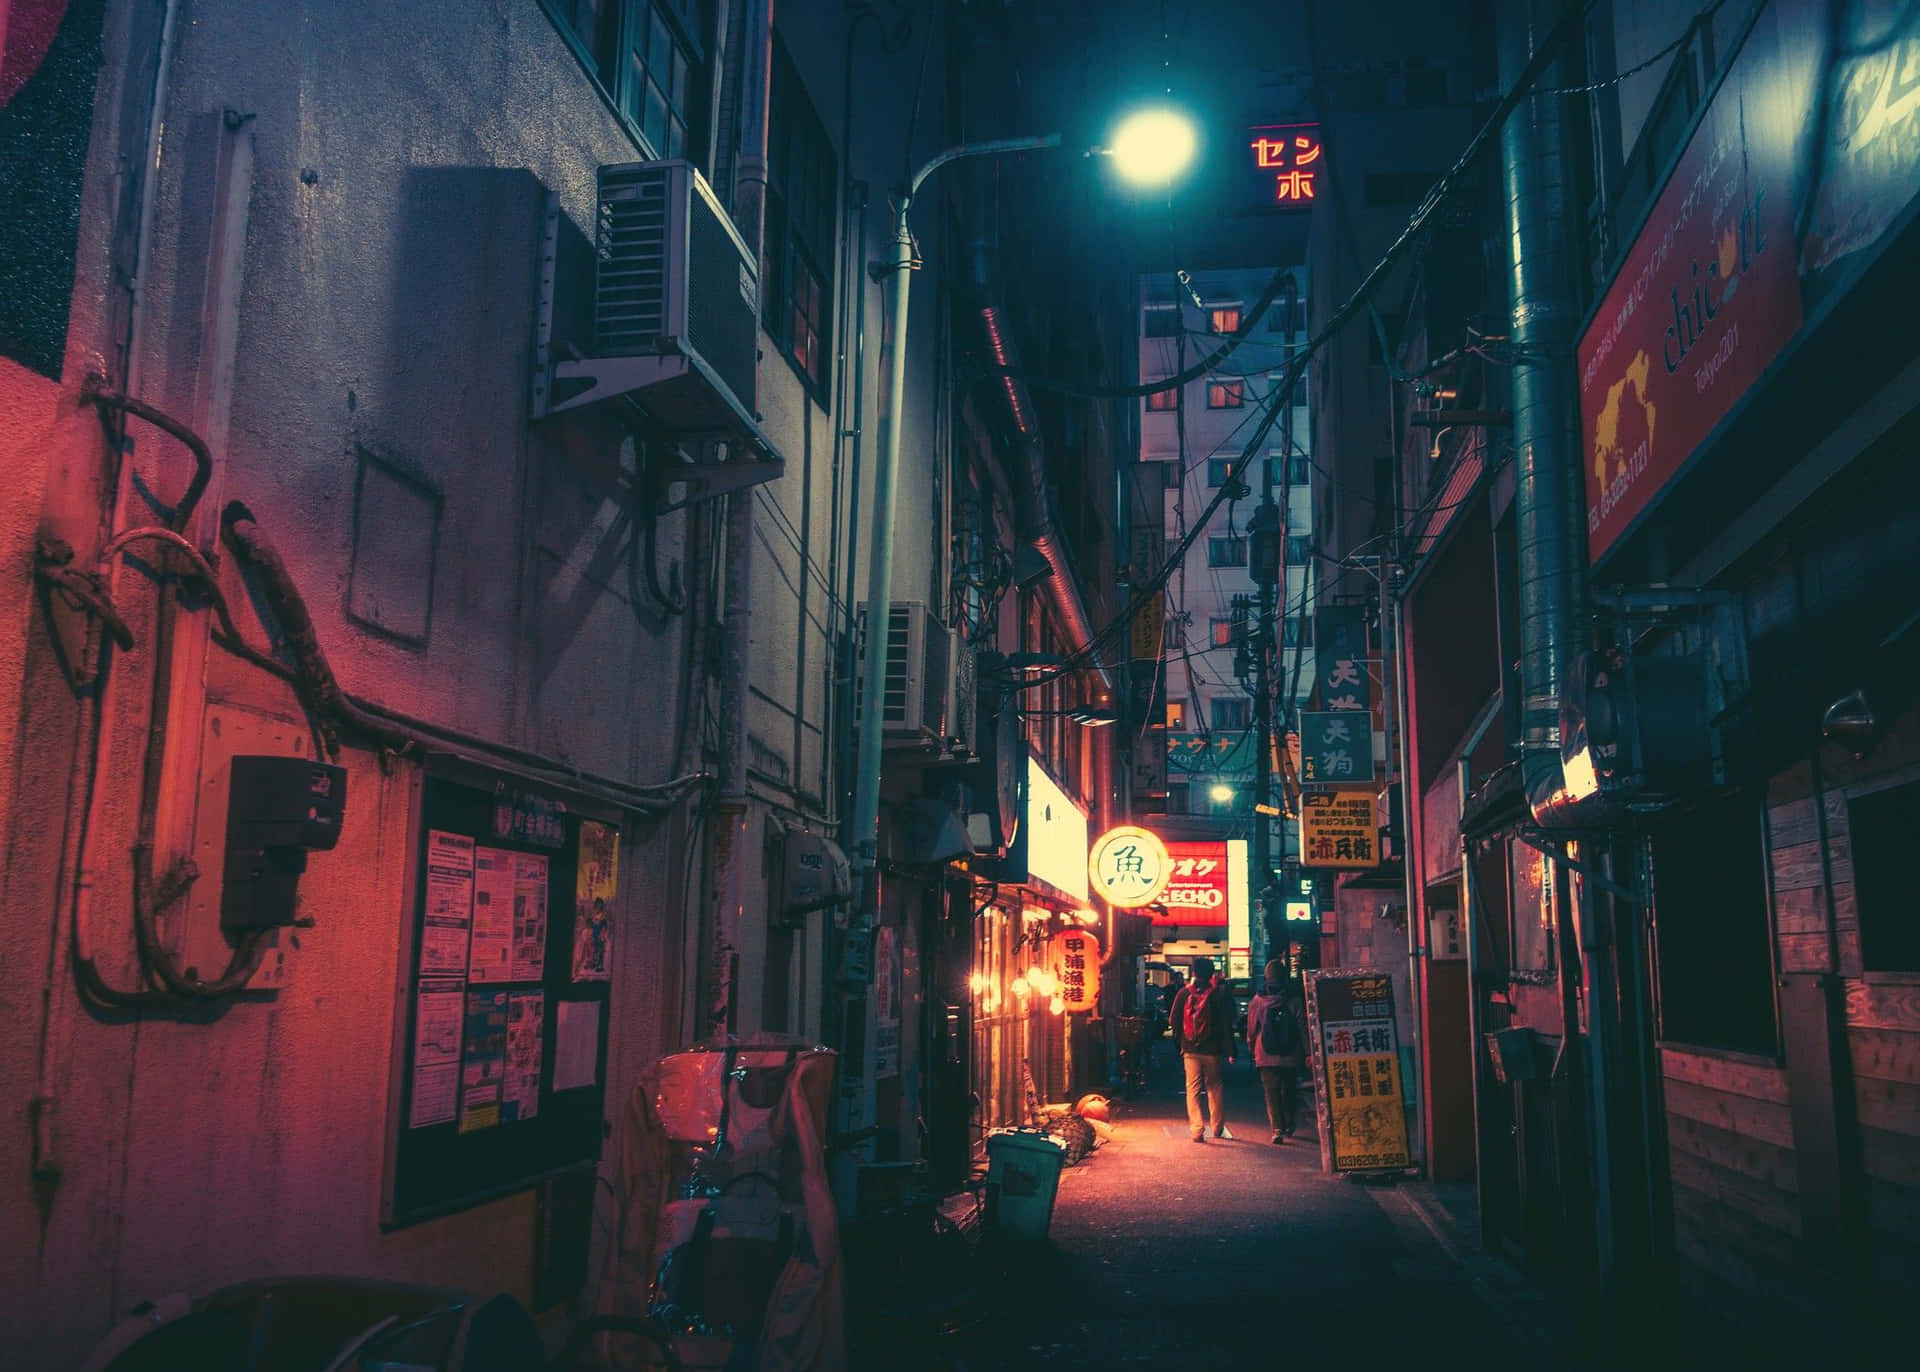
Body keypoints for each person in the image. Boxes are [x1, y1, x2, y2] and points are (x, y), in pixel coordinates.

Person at [1170, 957, 1235, 1142]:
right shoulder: (1218, 995)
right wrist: (1230, 1050)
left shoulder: (1183, 993)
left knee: (1193, 1089)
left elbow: (1174, 1020)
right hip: (1212, 1050)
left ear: (1194, 973)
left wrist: (1180, 1043)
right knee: (1215, 1087)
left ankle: (1197, 1129)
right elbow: (1225, 1024)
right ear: (1211, 974)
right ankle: (1217, 1127)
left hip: (1190, 1049)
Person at [1246, 961, 1304, 1144]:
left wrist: (1252, 1048)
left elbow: (1252, 1029)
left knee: (1271, 1091)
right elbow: (1303, 1028)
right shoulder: (1294, 1000)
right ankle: (1289, 1123)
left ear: (1266, 977)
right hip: (1291, 1054)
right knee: (1290, 1089)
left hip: (1265, 1054)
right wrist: (1309, 1052)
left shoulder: (1258, 1000)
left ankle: (1277, 1128)